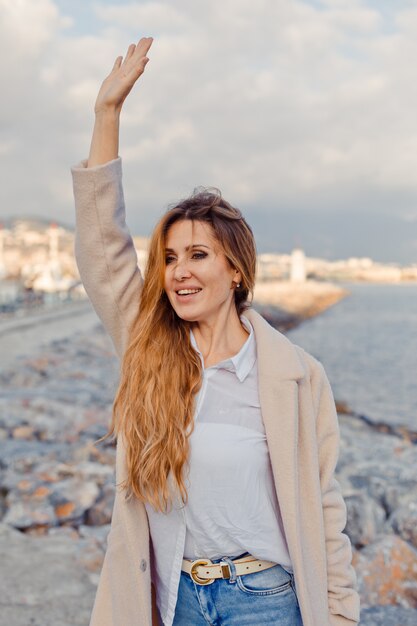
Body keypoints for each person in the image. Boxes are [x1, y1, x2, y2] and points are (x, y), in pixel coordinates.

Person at [71, 37, 360, 626]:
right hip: (173, 600)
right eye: (170, 257)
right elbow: (104, 248)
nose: (179, 271)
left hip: (267, 601)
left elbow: (324, 510)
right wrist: (107, 116)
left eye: (198, 255)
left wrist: (340, 613)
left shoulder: (298, 377)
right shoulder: (148, 346)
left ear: (235, 271)